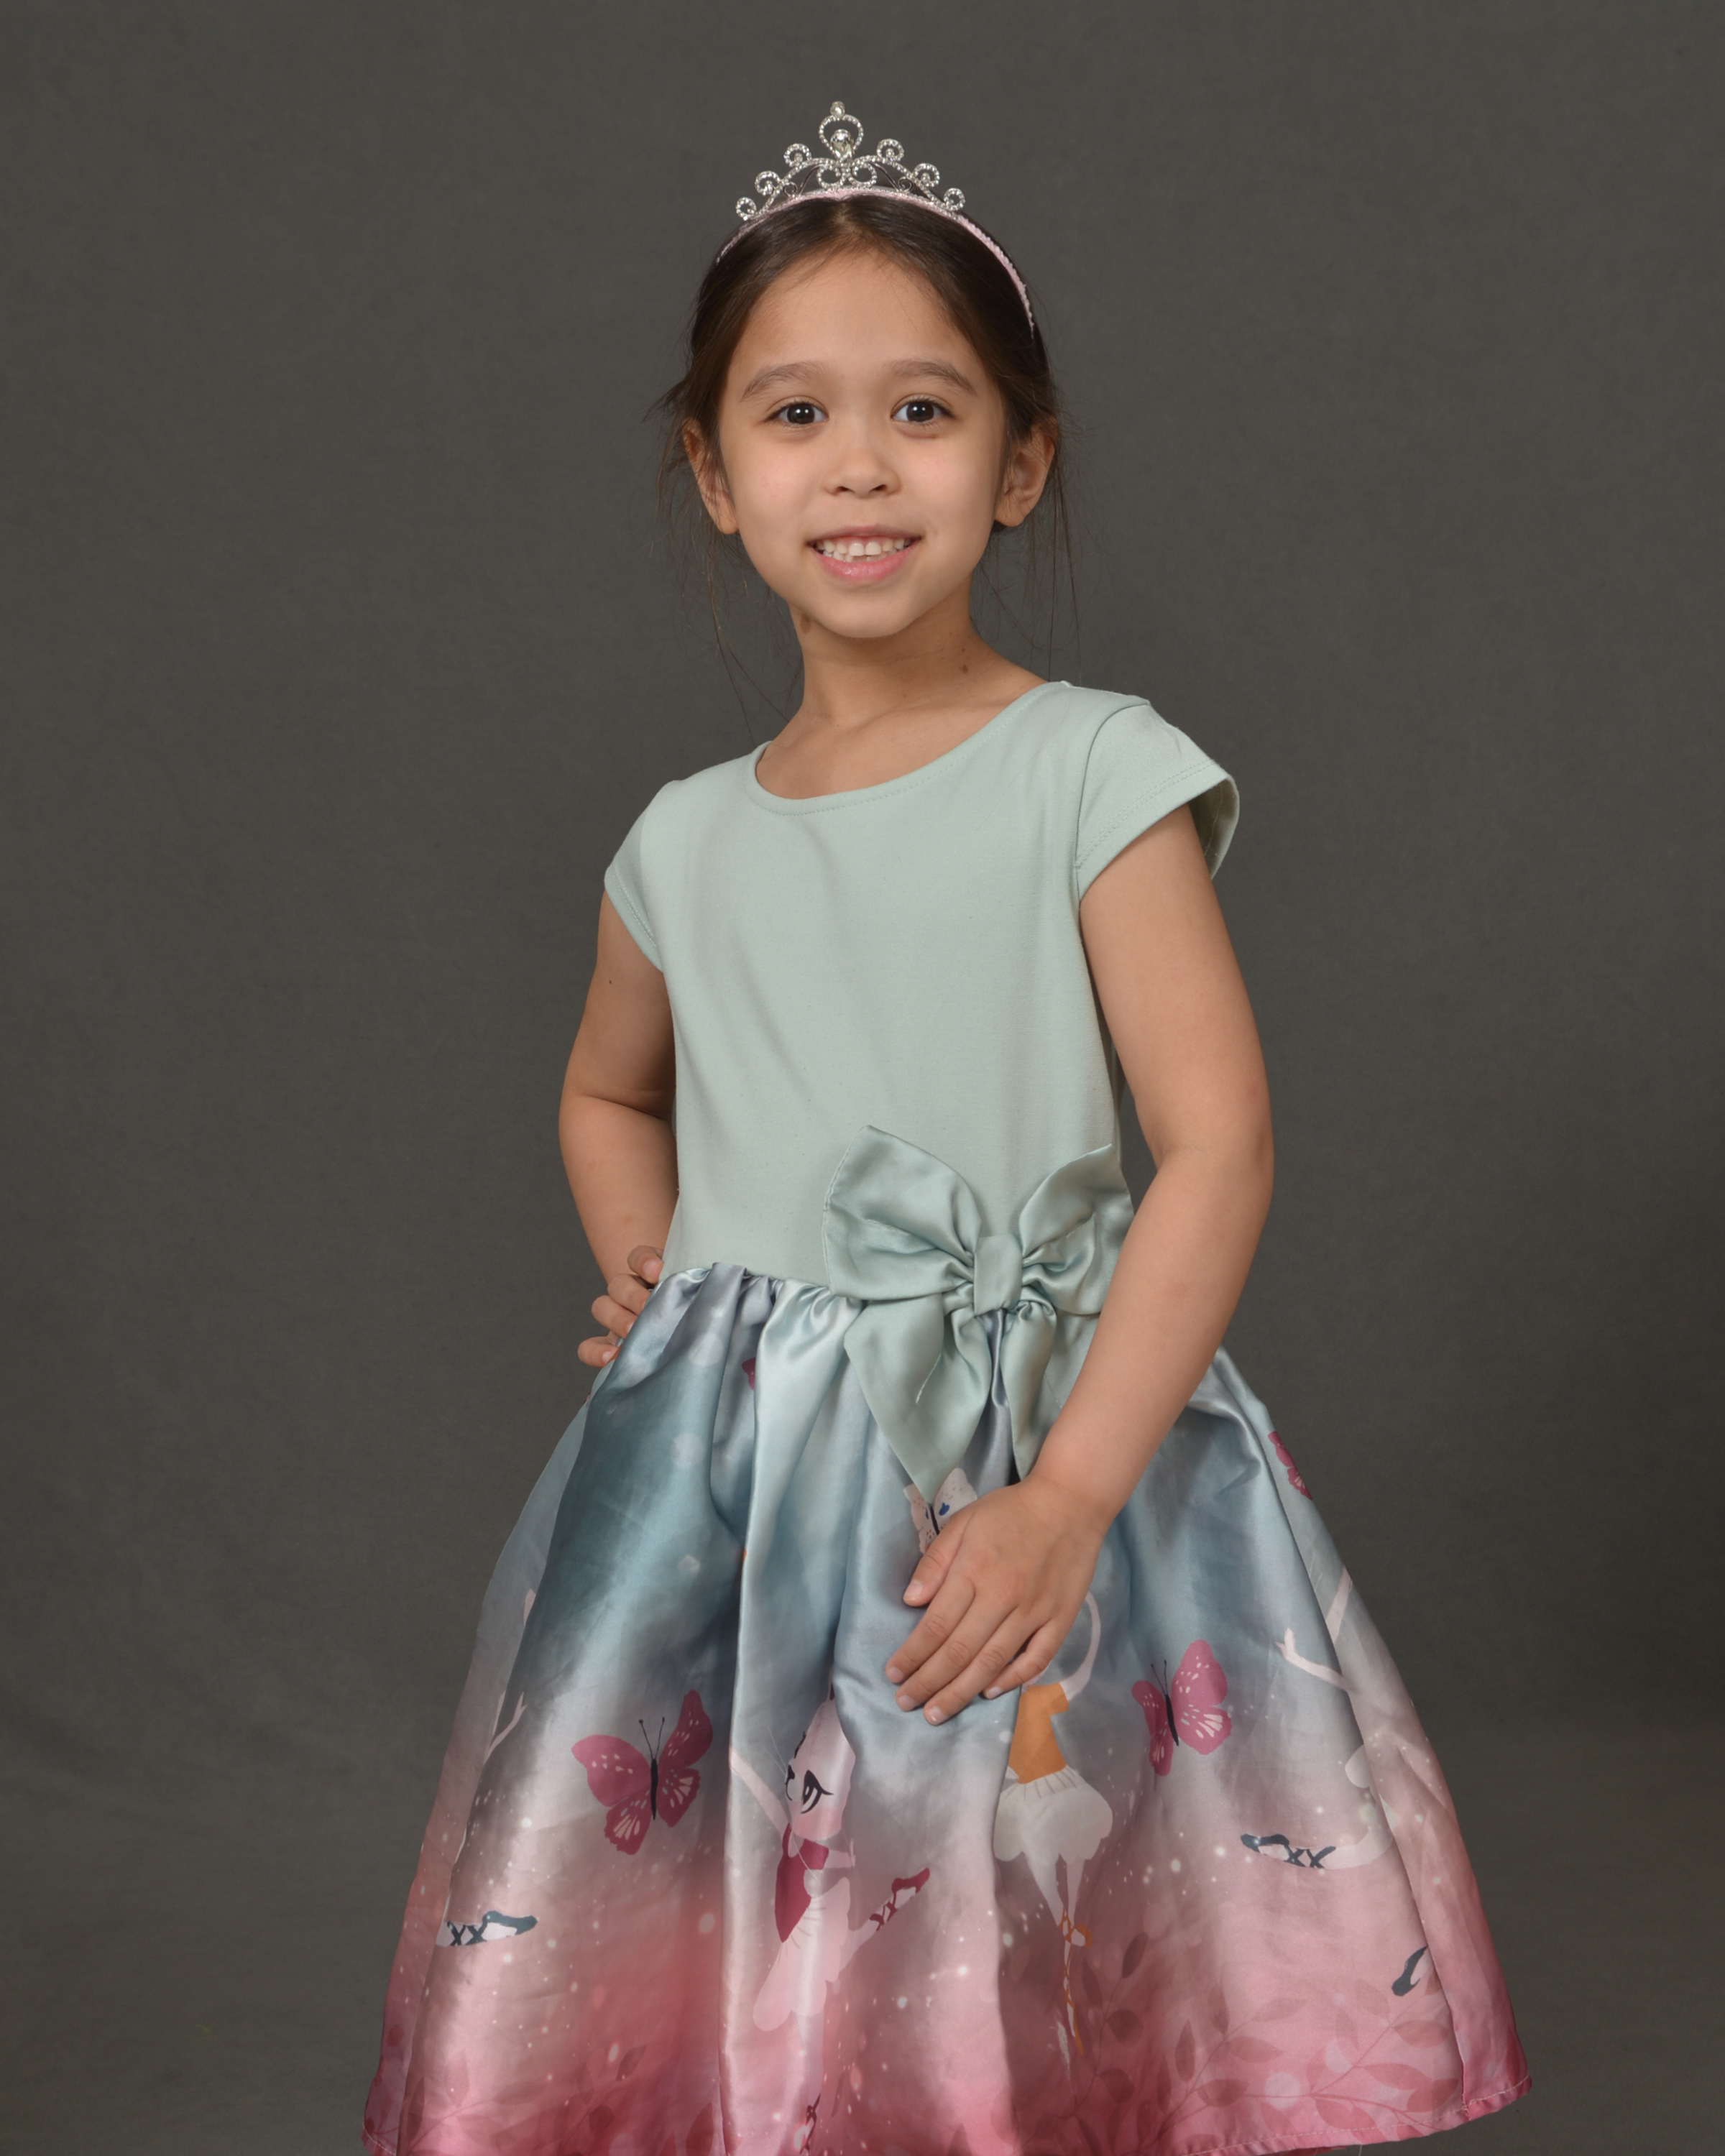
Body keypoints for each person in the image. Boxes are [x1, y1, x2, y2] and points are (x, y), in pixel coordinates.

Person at [364, 101, 1528, 2156]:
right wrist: (656, 1264)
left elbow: (1219, 1142)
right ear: (715, 475)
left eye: (922, 409)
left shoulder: (1092, 769)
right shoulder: (681, 842)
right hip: (739, 1495)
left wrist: (1071, 1495)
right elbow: (609, 1083)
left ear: (1020, 461)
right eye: (795, 415)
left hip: (1041, 1442)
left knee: (1040, 1904)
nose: (860, 465)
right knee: (750, 1912)